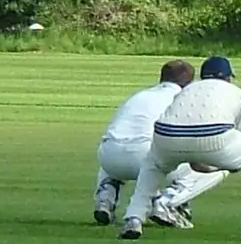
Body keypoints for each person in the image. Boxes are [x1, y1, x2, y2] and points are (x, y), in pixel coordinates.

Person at [120, 55, 241, 243]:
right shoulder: (236, 92)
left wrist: (195, 157)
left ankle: (133, 218)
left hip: (166, 135)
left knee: (152, 166)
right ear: (228, 77)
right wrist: (220, 165)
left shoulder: (187, 89)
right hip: (214, 136)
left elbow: (180, 121)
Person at [92, 59, 227, 228]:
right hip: (147, 158)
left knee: (116, 143)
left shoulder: (139, 95)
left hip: (109, 160)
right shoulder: (184, 99)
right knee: (214, 170)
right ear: (190, 83)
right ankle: (167, 202)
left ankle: (105, 199)